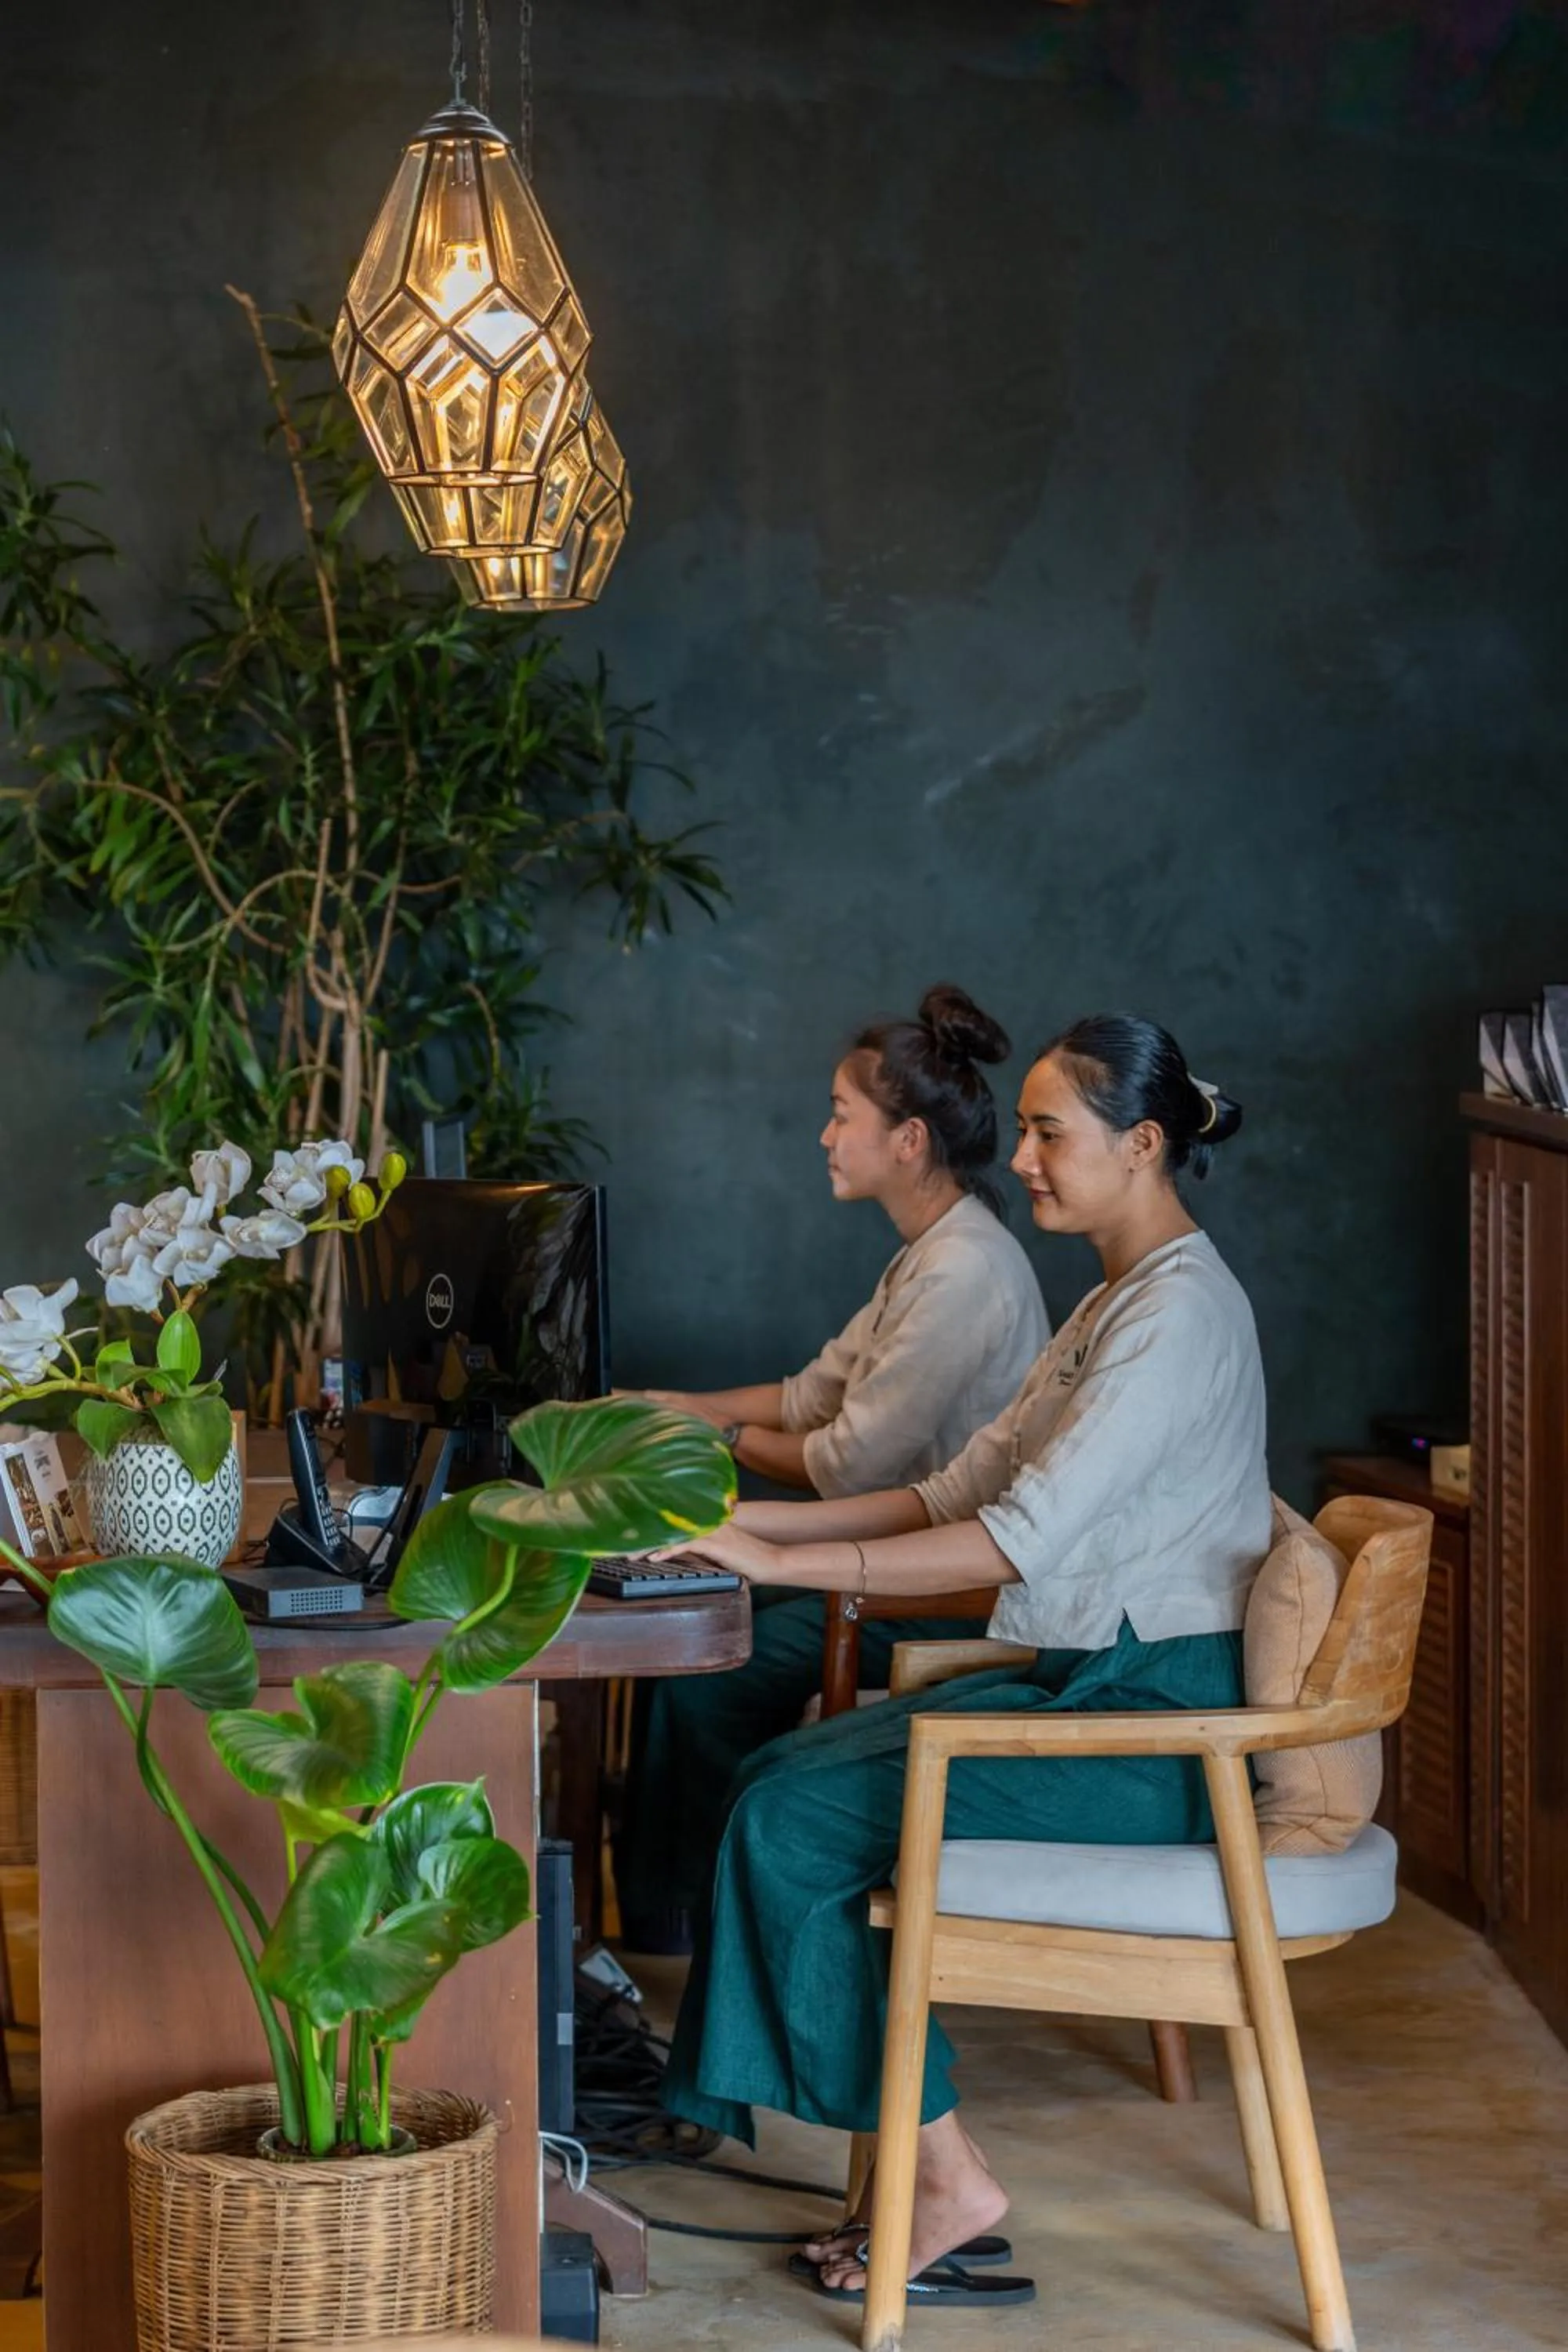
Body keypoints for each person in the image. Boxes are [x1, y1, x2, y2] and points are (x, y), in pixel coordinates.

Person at [656, 1014, 1269, 2310]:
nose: (1026, 1157)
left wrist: (775, 1565)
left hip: (1155, 1731)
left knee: (794, 1813)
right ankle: (920, 2163)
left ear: (1145, 1144)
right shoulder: (1117, 1299)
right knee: (778, 1780)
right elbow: (951, 1488)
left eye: (1051, 1133)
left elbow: (1006, 1540)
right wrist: (737, 1531)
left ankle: (945, 2175)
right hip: (1086, 1686)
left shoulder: (1178, 1320)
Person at [614, 985, 1050, 1948]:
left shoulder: (963, 1271)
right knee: (683, 1613)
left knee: (704, 1665)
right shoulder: (927, 1254)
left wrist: (709, 1441)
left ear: (907, 1141)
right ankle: (658, 1918)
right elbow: (813, 1396)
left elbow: (846, 1465)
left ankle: (684, 1926)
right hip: (884, 1559)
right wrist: (681, 1407)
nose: (823, 1135)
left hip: (932, 1588)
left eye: (840, 1114)